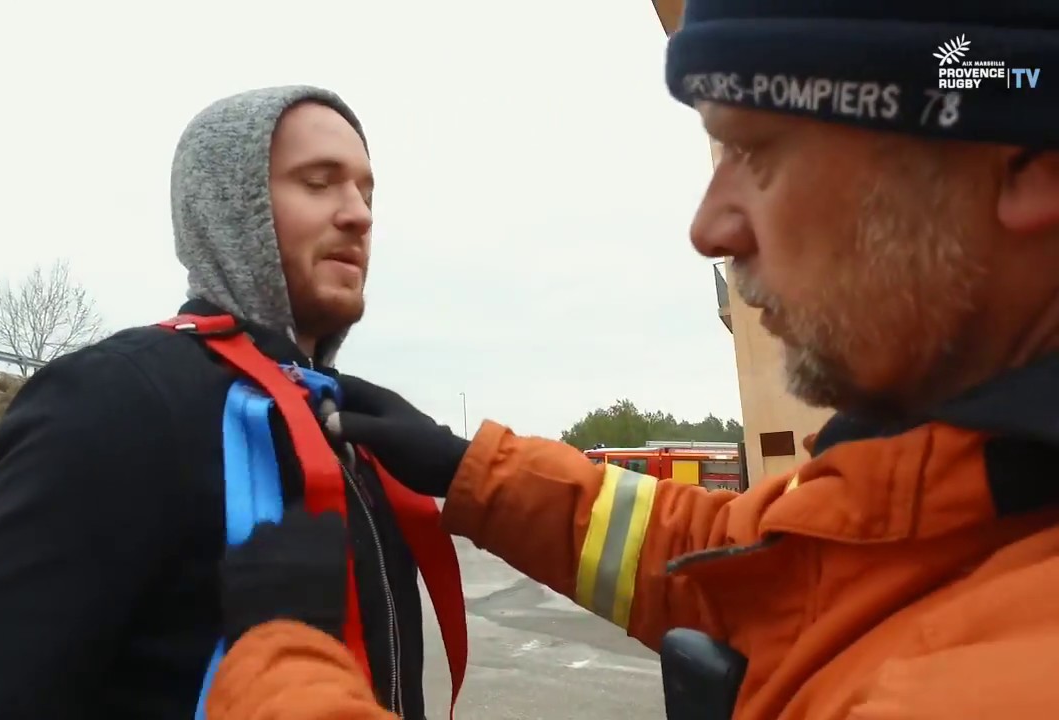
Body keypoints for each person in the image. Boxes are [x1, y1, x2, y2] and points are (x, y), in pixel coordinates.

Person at [201, 3, 1059, 719]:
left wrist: (279, 659)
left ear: (1023, 163)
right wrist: (476, 472)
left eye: (757, 153)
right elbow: (743, 564)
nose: (709, 230)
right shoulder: (965, 489)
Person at [0, 85, 441, 719]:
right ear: (230, 209)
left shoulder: (357, 433)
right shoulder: (116, 401)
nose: (358, 214)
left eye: (366, 191)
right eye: (318, 182)